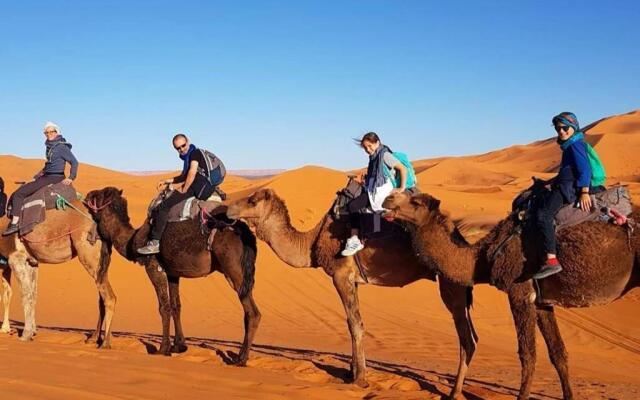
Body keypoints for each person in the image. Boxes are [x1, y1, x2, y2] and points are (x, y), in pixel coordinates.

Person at [532, 112, 606, 279]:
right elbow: (567, 172)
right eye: (558, 129)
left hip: (568, 190)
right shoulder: (569, 146)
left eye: (565, 128)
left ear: (574, 128)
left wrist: (584, 192)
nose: (562, 132)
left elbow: (584, 169)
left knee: (543, 215)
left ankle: (551, 260)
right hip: (564, 185)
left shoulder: (575, 145)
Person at [137, 134, 215, 255]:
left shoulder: (194, 154)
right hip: (205, 186)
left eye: (183, 146)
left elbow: (192, 173)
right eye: (178, 148)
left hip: (197, 188)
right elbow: (185, 175)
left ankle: (155, 242)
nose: (181, 149)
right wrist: (168, 180)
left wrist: (184, 189)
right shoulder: (192, 154)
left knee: (164, 206)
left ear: (188, 142)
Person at [341, 132, 413, 256]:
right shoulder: (373, 158)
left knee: (356, 207)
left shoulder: (384, 155)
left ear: (377, 143)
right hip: (374, 193)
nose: (368, 150)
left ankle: (358, 240)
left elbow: (402, 168)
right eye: (365, 148)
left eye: (370, 146)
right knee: (354, 206)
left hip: (384, 194)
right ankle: (355, 240)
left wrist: (401, 187)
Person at [2, 122, 78, 236]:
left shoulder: (61, 147)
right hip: (47, 176)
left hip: (53, 177)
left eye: (51, 131)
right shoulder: (50, 146)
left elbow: (74, 162)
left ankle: (14, 223)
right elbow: (48, 165)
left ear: (57, 132)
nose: (49, 134)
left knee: (19, 193)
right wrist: (36, 177)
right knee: (27, 186)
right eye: (46, 132)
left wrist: (71, 177)